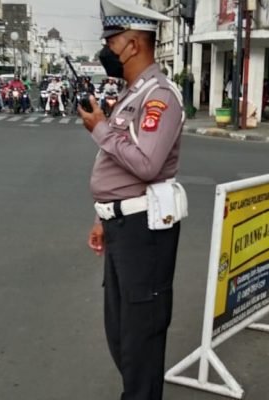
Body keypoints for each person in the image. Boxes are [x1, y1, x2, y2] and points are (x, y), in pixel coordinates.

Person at [77, 1, 184, 399]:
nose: (106, 50)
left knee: (141, 332)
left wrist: (101, 128)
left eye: (112, 41)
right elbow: (117, 168)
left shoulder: (160, 97)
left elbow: (147, 164)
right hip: (121, 225)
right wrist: (102, 216)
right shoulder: (131, 94)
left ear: (134, 44)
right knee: (121, 330)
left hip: (145, 231)